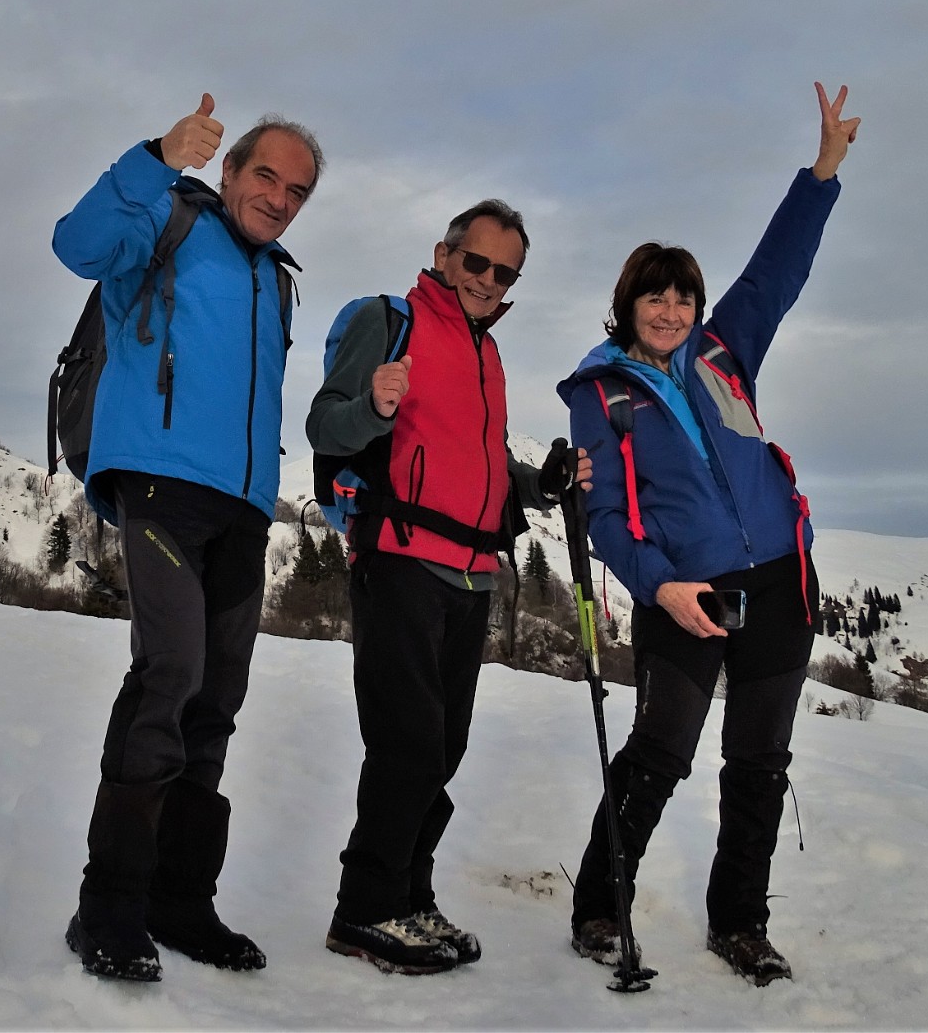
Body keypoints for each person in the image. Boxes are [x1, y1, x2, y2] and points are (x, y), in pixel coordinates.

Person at [556, 82, 860, 986]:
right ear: (629, 303)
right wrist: (661, 587)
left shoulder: (726, 351)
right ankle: (599, 907)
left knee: (759, 762)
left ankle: (740, 924)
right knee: (659, 754)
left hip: (777, 584)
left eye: (683, 297)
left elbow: (776, 272)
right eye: (657, 297)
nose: (674, 310)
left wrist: (821, 175)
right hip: (685, 593)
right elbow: (605, 520)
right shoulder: (600, 396)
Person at [52, 94, 323, 982]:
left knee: (217, 697)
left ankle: (179, 900)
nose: (280, 198)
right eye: (267, 176)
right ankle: (109, 907)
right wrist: (154, 156)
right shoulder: (164, 220)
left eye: (297, 191)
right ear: (230, 170)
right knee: (169, 673)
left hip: (244, 508)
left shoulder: (274, 276)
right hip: (161, 486)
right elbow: (76, 244)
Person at [306, 200, 591, 975]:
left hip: (471, 575)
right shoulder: (390, 321)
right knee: (405, 746)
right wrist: (372, 405)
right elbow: (325, 426)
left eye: (505, 274)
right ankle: (363, 911)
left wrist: (543, 483)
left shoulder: (484, 353)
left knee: (442, 748)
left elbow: (485, 464)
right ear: (445, 253)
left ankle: (408, 896)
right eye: (478, 263)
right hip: (398, 558)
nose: (489, 281)